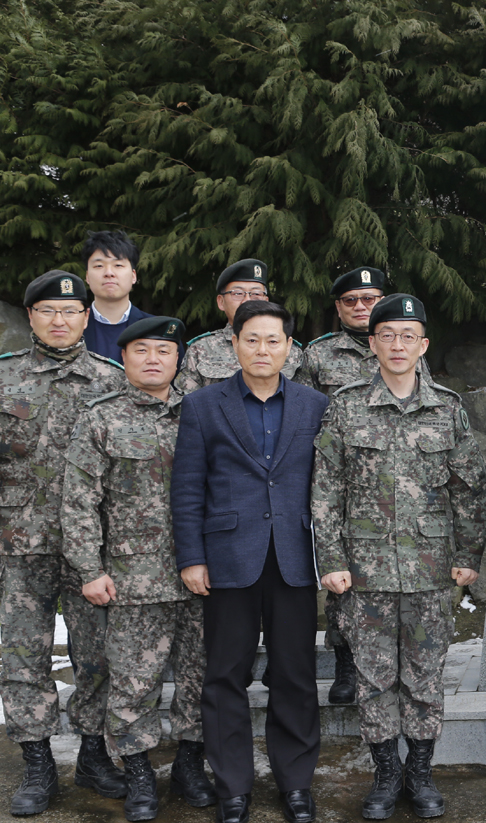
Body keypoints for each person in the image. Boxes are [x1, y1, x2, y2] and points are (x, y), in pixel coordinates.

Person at [0, 271, 128, 815]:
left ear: (85, 317)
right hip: (19, 541)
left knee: (97, 655)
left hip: (91, 549)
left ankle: (95, 755)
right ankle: (37, 764)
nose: (59, 320)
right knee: (24, 657)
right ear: (30, 317)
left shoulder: (111, 379)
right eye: (48, 310)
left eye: (70, 312)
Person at [312, 293, 486, 820]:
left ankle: (421, 772)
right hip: (363, 572)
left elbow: (467, 490)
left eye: (407, 335)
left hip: (432, 571)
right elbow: (325, 491)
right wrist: (331, 560)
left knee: (425, 676)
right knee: (373, 678)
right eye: (386, 335)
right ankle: (386, 774)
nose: (396, 344)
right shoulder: (345, 406)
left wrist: (467, 555)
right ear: (373, 343)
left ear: (423, 344)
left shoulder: (448, 407)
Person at [171, 300, 329, 823]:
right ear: (233, 343)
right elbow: (188, 488)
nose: (263, 349)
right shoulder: (202, 405)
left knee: (296, 675)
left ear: (289, 347)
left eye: (273, 340)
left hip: (294, 558)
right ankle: (233, 786)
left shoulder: (314, 405)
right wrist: (192, 557)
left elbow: (329, 485)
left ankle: (296, 783)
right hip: (227, 559)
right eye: (252, 339)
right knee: (224, 676)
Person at [61, 317, 215, 821]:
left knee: (200, 677)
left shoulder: (204, 411)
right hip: (132, 580)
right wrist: (89, 568)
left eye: (164, 351)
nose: (153, 359)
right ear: (123, 357)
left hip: (203, 576)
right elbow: (80, 501)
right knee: (133, 682)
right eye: (142, 349)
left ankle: (191, 764)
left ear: (179, 359)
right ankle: (140, 772)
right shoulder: (100, 418)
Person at [295, 266, 403, 707]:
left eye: (370, 298)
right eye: (351, 301)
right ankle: (345, 662)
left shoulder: (404, 344)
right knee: (345, 580)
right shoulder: (319, 356)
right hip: (342, 479)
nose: (362, 307)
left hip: (396, 480)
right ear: (338, 308)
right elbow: (302, 417)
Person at [175, 259, 303, 393]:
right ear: (221, 302)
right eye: (237, 293)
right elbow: (188, 403)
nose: (247, 301)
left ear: (266, 301)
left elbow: (303, 401)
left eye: (256, 294)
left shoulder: (290, 351)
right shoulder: (201, 349)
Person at [81, 230, 155, 363]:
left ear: (133, 276)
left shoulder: (157, 329)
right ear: (87, 277)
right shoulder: (71, 329)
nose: (109, 273)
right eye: (99, 265)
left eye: (118, 265)